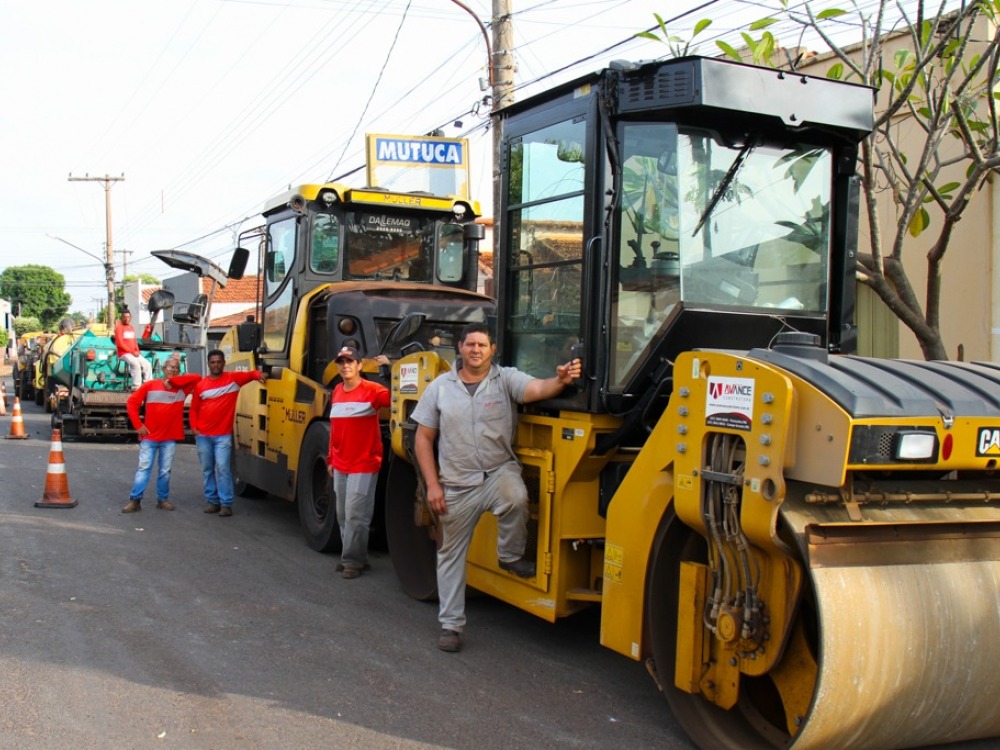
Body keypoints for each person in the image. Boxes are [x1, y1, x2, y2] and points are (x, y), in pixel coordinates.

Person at [410, 322, 582, 652]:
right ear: (459, 348)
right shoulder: (440, 388)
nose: (476, 350)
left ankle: (510, 556)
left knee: (516, 497)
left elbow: (536, 390)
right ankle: (450, 625)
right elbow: (423, 438)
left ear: (492, 351)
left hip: (496, 473)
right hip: (456, 484)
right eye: (470, 344)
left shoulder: (506, 379)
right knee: (449, 555)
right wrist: (432, 485)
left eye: (482, 345)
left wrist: (560, 380)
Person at [326, 344, 391, 579]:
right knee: (343, 515)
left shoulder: (373, 390)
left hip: (364, 464)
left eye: (350, 362)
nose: (345, 366)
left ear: (360, 365)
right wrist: (331, 459)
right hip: (341, 464)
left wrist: (388, 370)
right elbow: (334, 429)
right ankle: (357, 556)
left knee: (356, 515)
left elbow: (396, 398)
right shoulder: (337, 391)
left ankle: (351, 561)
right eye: (341, 362)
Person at [189, 349, 267, 518]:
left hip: (222, 436)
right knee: (207, 469)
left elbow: (250, 374)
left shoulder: (233, 379)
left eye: (219, 362)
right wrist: (194, 428)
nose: (216, 365)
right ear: (209, 364)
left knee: (224, 468)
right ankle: (212, 502)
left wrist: (260, 374)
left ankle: (226, 504)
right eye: (213, 362)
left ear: (224, 363)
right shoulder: (201, 385)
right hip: (203, 436)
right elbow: (194, 409)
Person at [122, 357, 200, 513]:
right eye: (170, 368)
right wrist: (138, 425)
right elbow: (132, 403)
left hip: (169, 438)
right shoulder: (150, 385)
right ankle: (135, 500)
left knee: (165, 470)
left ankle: (162, 500)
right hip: (150, 437)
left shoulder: (181, 389)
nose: (173, 371)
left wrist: (175, 382)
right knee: (144, 469)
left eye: (176, 368)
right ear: (163, 369)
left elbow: (197, 378)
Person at [114, 309, 153, 390]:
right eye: (124, 317)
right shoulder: (119, 329)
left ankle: (148, 385)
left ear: (130, 318)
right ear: (121, 318)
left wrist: (137, 351)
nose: (127, 319)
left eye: (128, 317)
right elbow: (120, 344)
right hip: (124, 353)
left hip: (133, 353)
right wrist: (132, 352)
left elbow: (134, 342)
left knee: (147, 365)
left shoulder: (131, 328)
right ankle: (136, 387)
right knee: (135, 364)